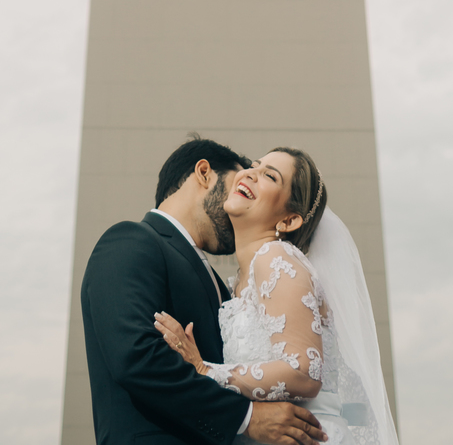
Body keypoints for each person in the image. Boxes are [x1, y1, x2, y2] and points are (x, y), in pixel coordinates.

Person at [81, 136, 330, 445]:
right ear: (204, 173)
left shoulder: (232, 283)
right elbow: (137, 356)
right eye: (239, 180)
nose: (244, 187)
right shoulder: (131, 241)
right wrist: (246, 417)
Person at [153, 148, 399, 445]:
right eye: (255, 166)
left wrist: (207, 371)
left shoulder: (276, 257)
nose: (250, 173)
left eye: (269, 175)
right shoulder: (241, 281)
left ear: (289, 221)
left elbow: (304, 372)